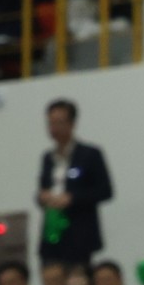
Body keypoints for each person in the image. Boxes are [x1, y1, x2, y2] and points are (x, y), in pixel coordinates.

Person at [35, 96, 114, 272]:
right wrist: (43, 197)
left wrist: (72, 198)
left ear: (72, 124)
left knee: (78, 282)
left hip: (79, 234)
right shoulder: (48, 158)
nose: (54, 128)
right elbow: (41, 190)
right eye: (50, 123)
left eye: (59, 122)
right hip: (52, 233)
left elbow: (105, 191)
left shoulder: (90, 154)